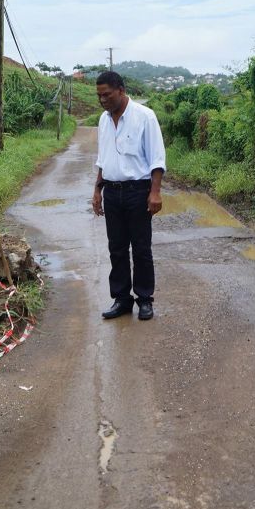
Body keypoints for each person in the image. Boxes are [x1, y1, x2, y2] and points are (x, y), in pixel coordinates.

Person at [91, 71, 165, 321]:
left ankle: (145, 299)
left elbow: (157, 159)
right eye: (99, 96)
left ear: (121, 90)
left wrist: (155, 192)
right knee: (117, 249)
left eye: (107, 95)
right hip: (112, 192)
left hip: (138, 192)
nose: (103, 100)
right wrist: (97, 189)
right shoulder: (103, 120)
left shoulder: (145, 116)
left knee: (141, 248)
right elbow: (103, 158)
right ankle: (122, 299)